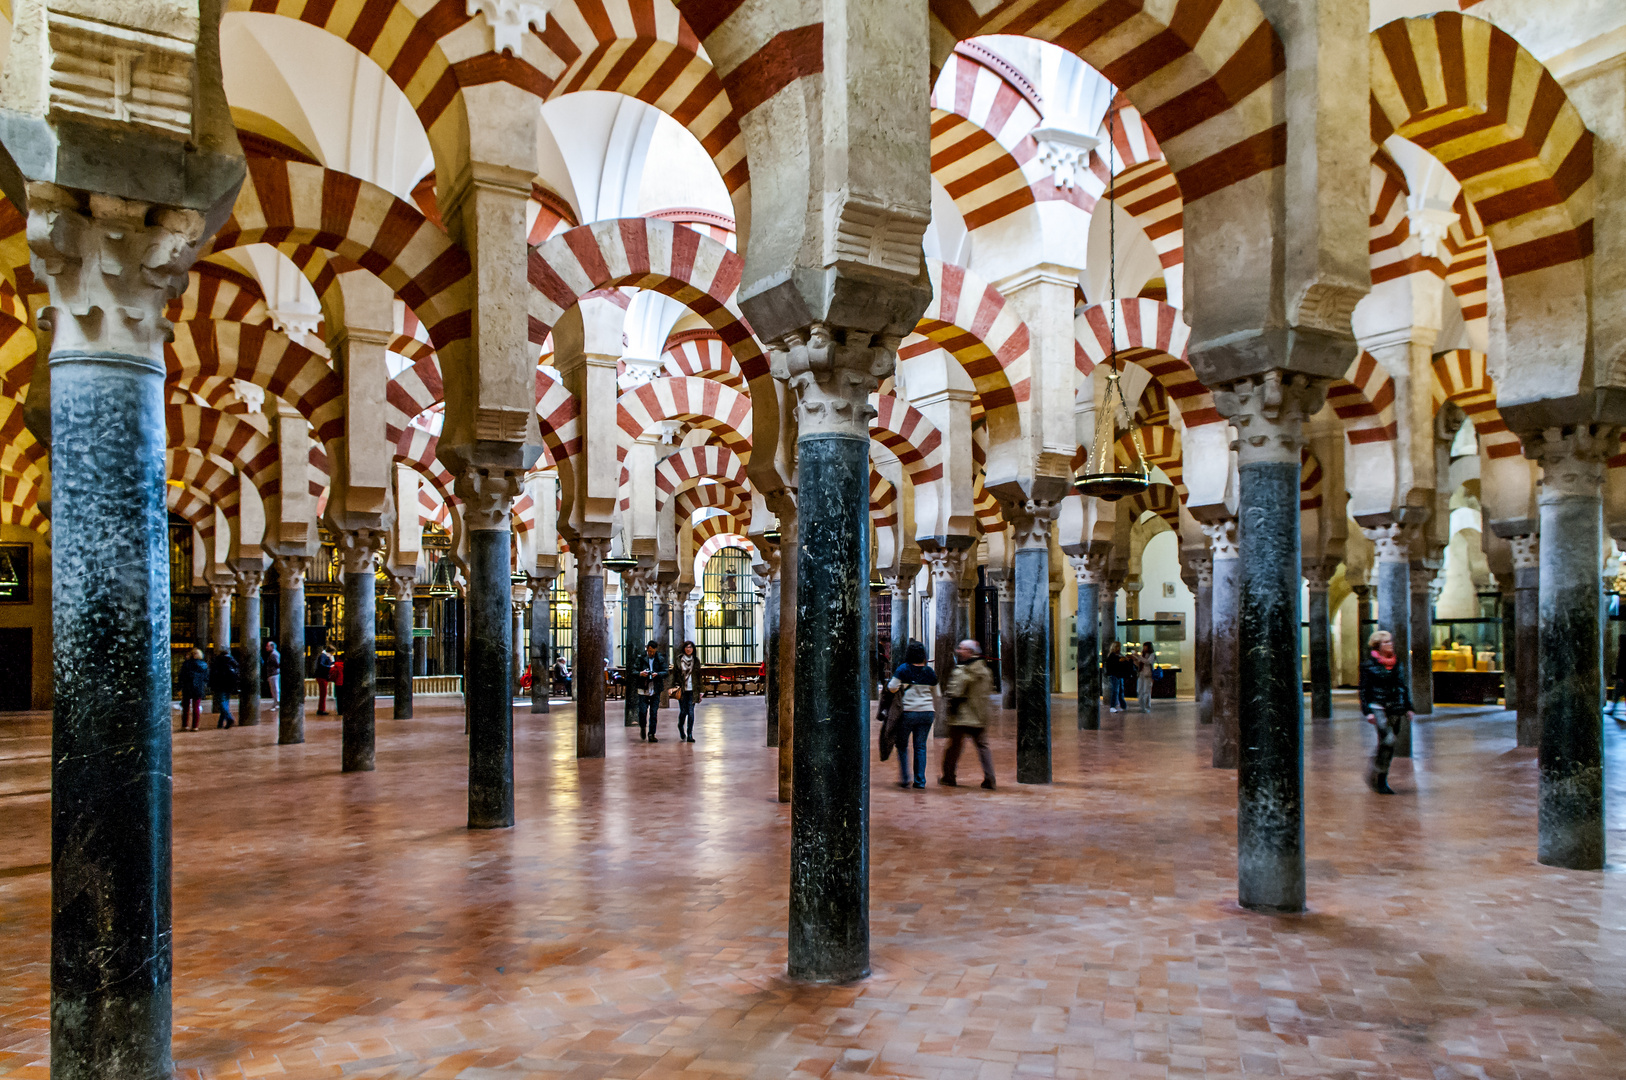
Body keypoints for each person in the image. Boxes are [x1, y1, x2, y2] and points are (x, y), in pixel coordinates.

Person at [1360, 629, 1414, 794]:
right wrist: (1367, 710)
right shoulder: (1368, 666)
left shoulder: (1397, 664)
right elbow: (1364, 690)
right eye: (1386, 642)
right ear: (1378, 646)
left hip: (1395, 707)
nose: (1390, 644)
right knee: (1388, 740)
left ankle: (1380, 778)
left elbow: (1402, 686)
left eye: (1391, 641)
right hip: (1378, 707)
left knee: (1388, 746)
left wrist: (1408, 707)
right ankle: (1377, 771)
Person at [940, 639, 995, 790]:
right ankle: (990, 778)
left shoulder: (963, 671)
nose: (958, 651)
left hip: (961, 717)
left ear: (970, 652)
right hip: (979, 715)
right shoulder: (985, 671)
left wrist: (949, 709)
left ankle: (949, 776)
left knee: (953, 748)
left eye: (962, 649)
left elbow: (955, 692)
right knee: (983, 747)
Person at [887, 640, 938, 789]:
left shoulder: (903, 669)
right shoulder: (929, 672)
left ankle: (905, 777)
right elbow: (937, 693)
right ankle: (920, 781)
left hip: (908, 712)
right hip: (927, 712)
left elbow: (891, 687)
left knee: (902, 745)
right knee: (920, 746)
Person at [635, 640, 669, 741]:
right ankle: (642, 726)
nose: (651, 653)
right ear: (647, 649)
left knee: (654, 712)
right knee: (642, 711)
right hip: (643, 688)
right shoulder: (641, 658)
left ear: (656, 650)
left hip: (655, 688)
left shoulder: (660, 658)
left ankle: (651, 734)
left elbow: (666, 672)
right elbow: (633, 671)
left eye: (653, 651)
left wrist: (658, 674)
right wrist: (640, 673)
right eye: (649, 651)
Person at [672, 640, 703, 742]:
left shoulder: (696, 661)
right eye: (687, 647)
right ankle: (680, 726)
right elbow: (675, 675)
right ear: (684, 648)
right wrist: (674, 686)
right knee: (683, 711)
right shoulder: (679, 660)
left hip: (693, 689)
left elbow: (699, 677)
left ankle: (690, 734)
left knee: (691, 712)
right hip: (682, 689)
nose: (689, 649)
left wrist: (701, 691)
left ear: (693, 649)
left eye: (690, 647)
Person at [209, 646, 239, 728]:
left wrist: (211, 685)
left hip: (220, 685)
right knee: (225, 702)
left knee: (222, 703)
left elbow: (213, 674)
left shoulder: (217, 661)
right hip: (230, 685)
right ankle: (220, 723)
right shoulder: (232, 661)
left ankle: (229, 718)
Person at [179, 648, 208, 732]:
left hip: (187, 687)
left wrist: (180, 687)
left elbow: (182, 676)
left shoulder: (186, 664)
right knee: (196, 707)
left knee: (186, 708)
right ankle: (195, 726)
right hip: (198, 687)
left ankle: (185, 725)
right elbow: (206, 677)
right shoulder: (203, 665)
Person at [1104, 641, 1128, 712]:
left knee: (1120, 690)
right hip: (1115, 675)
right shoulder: (1112, 655)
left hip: (1119, 675)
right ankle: (1113, 706)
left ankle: (1122, 705)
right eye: (1118, 646)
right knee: (1115, 690)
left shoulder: (1118, 654)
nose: (1119, 648)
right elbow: (1115, 663)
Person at [1134, 642, 1157, 713]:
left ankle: (1147, 706)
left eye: (1145, 647)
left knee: (1146, 691)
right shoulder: (1142, 655)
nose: (1144, 648)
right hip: (1141, 674)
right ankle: (1141, 706)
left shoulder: (1152, 655)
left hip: (1148, 675)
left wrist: (1139, 657)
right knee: (1139, 690)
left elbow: (1148, 662)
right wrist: (1135, 660)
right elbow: (1139, 664)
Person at [314, 647, 334, 715]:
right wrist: (330, 666)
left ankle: (322, 709)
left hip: (322, 676)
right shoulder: (323, 656)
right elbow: (321, 665)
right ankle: (321, 709)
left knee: (323, 693)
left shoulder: (324, 656)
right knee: (323, 693)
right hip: (322, 676)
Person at [261, 640, 280, 705]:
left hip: (274, 674)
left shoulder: (274, 654)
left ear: (272, 647)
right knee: (273, 690)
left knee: (275, 689)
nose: (266, 647)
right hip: (272, 674)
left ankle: (277, 703)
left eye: (267, 646)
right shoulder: (272, 654)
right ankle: (275, 703)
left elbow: (278, 664)